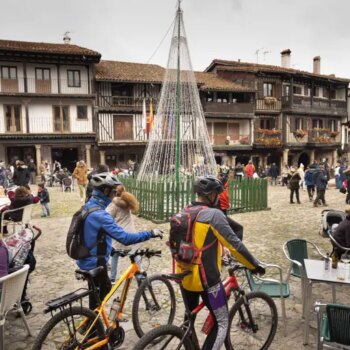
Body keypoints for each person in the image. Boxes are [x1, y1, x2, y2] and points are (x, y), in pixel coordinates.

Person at [175, 175, 264, 350]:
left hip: (184, 276)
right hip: (207, 281)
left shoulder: (184, 212)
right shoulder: (213, 215)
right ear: (211, 195)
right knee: (222, 321)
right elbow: (234, 244)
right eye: (217, 193)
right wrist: (254, 265)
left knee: (189, 318)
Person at [76, 172, 163, 309]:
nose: (113, 195)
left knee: (100, 294)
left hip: (85, 258)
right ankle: (93, 326)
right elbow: (125, 238)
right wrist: (150, 233)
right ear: (105, 191)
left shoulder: (89, 206)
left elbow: (94, 234)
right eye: (112, 192)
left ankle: (94, 322)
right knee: (101, 294)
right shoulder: (101, 215)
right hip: (95, 262)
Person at [106, 184, 140, 283]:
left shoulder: (114, 204)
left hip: (120, 234)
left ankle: (112, 278)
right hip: (131, 232)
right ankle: (141, 274)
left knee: (115, 255)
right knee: (134, 253)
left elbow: (107, 216)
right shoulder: (128, 202)